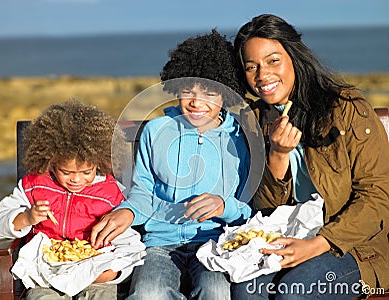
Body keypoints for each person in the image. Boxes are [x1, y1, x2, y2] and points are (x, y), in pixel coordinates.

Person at [231, 14, 389, 299]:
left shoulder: (347, 107)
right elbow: (266, 209)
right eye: (251, 67)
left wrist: (319, 243)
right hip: (287, 236)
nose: (262, 75)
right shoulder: (253, 120)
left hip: (354, 245)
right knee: (245, 290)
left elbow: (377, 195)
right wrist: (277, 155)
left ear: (294, 57)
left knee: (295, 291)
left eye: (273, 61)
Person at [90, 29, 253, 299]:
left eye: (210, 94)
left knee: (215, 291)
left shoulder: (239, 138)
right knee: (147, 293)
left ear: (226, 93)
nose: (196, 102)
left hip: (216, 243)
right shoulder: (157, 131)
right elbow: (143, 190)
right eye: (187, 91)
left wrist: (224, 206)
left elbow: (248, 206)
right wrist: (129, 212)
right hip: (159, 244)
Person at [0, 99, 127, 300]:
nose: (76, 179)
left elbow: (129, 241)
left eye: (86, 172)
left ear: (100, 162)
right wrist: (26, 218)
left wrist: (114, 271)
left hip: (95, 272)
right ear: (51, 161)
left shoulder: (111, 192)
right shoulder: (34, 185)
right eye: (66, 172)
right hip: (47, 273)